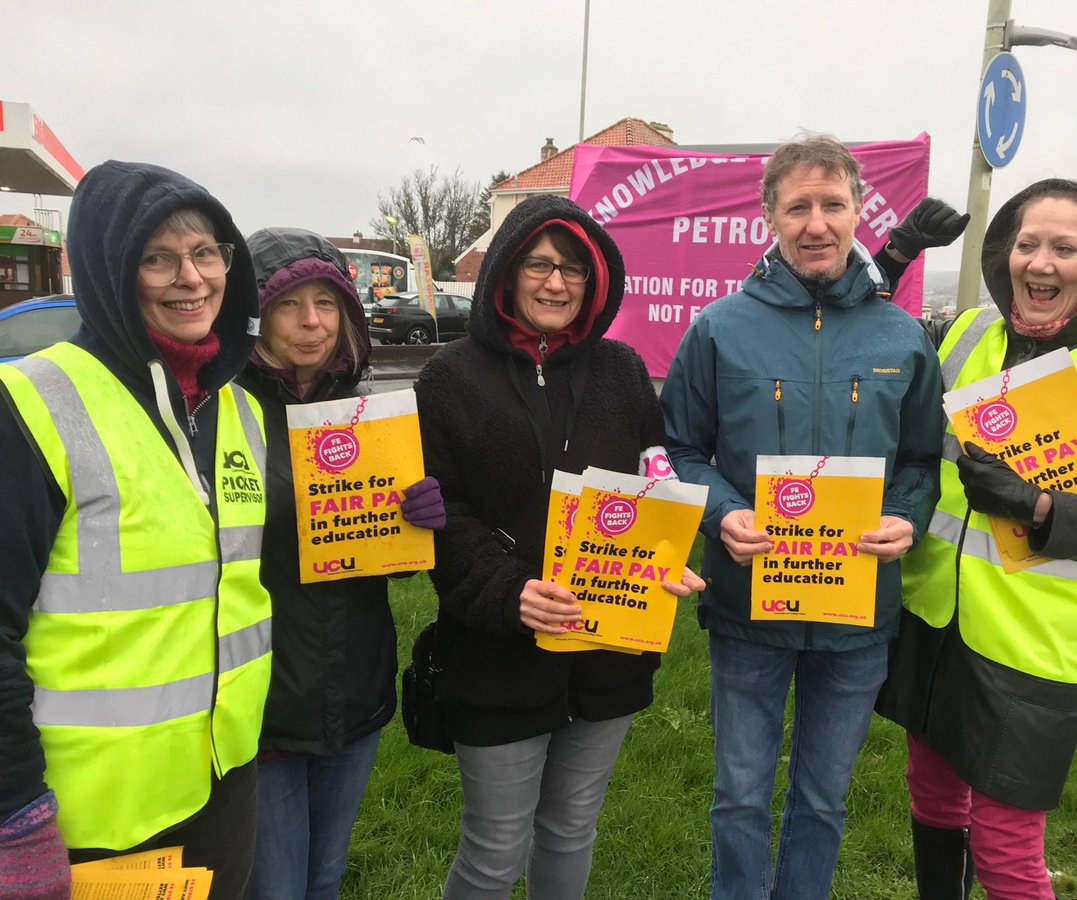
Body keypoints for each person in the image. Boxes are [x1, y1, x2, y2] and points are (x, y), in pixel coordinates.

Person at [875, 179, 1077, 900]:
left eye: (1065, 248)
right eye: (1027, 244)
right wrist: (894, 255)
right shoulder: (966, 333)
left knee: (1007, 849)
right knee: (932, 799)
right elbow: (855, 326)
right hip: (933, 618)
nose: (1040, 262)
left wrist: (1038, 506)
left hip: (1035, 646)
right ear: (1005, 253)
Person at [659, 135, 947, 900]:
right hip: (748, 606)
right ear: (770, 217)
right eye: (797, 208)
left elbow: (922, 459)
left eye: (832, 205)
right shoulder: (718, 328)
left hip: (857, 614)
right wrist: (721, 512)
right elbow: (679, 448)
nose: (816, 223)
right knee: (740, 797)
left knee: (823, 800)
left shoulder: (902, 336)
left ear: (857, 213)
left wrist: (905, 517)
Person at [414, 194, 705, 900]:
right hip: (496, 655)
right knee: (494, 852)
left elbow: (654, 476)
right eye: (539, 264)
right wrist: (508, 591)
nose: (555, 283)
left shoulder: (623, 371)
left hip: (608, 649)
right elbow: (441, 512)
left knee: (572, 829)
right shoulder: (448, 378)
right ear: (506, 271)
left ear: (594, 282)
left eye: (573, 269)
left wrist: (667, 553)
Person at [0, 161, 271, 899]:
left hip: (220, 784)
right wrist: (16, 816)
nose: (192, 278)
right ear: (107, 270)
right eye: (158, 258)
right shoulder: (29, 402)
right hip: (89, 820)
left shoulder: (238, 409)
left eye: (206, 252)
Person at [239, 227, 446, 900]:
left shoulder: (366, 413)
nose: (312, 323)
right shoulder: (220, 412)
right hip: (262, 699)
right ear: (255, 313)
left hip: (353, 687)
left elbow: (382, 563)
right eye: (289, 304)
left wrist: (410, 525)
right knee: (275, 888)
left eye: (326, 304)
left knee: (325, 877)